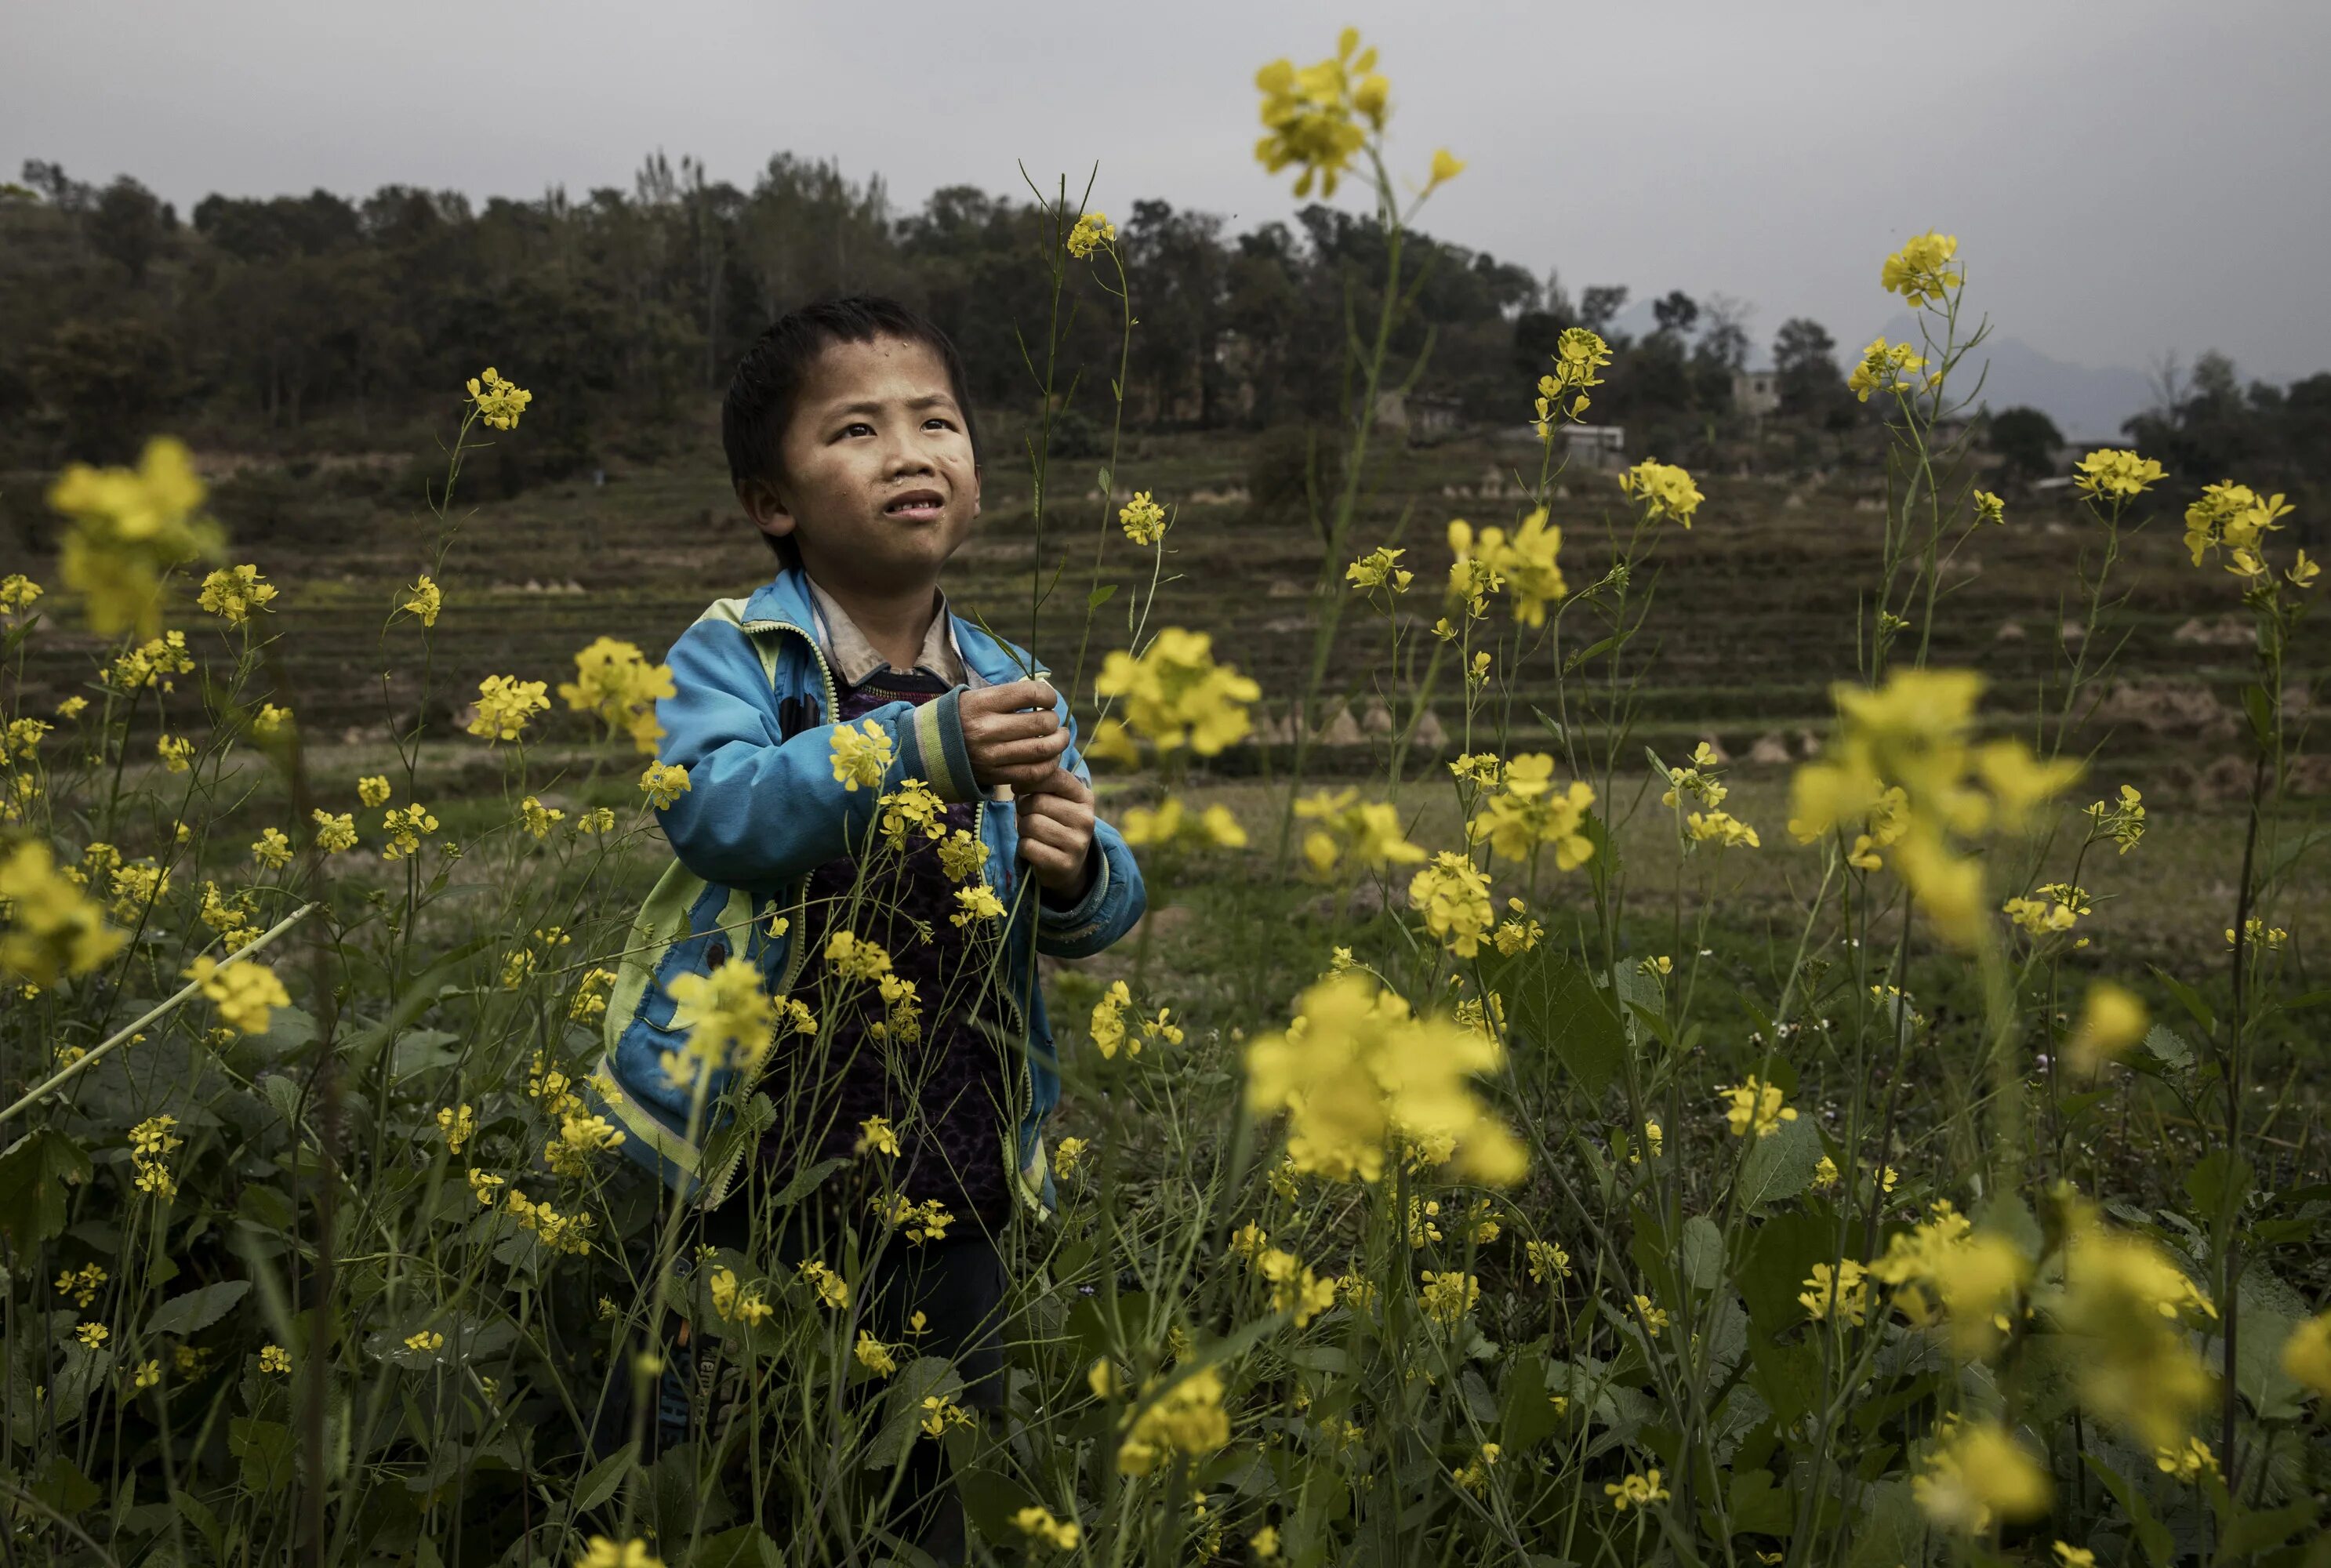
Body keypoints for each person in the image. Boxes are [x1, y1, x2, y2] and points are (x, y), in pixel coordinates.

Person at [586, 296, 1146, 1559]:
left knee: (927, 1470)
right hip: (747, 1148)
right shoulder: (736, 652)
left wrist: (1075, 874)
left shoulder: (1007, 675)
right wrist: (921, 746)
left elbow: (1092, 890)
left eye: (936, 422)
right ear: (769, 500)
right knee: (704, 1455)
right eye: (855, 429)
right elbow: (714, 810)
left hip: (948, 1141)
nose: (910, 453)